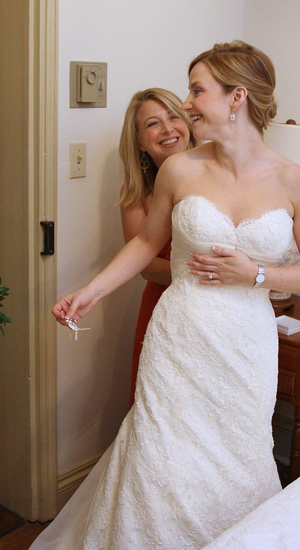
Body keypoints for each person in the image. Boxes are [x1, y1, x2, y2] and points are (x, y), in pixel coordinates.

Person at [23, 41, 300, 550]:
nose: (187, 103)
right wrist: (91, 291)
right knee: (162, 459)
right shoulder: (180, 169)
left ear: (236, 97)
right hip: (180, 335)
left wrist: (257, 273)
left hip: (244, 345)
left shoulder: (295, 181)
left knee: (234, 461)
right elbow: (145, 242)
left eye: (196, 90)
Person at [117, 88, 194, 406]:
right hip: (163, 307)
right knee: (160, 404)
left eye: (174, 116)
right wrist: (204, 274)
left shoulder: (219, 173)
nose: (168, 129)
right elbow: (145, 265)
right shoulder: (136, 192)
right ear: (139, 141)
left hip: (216, 309)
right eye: (153, 123)